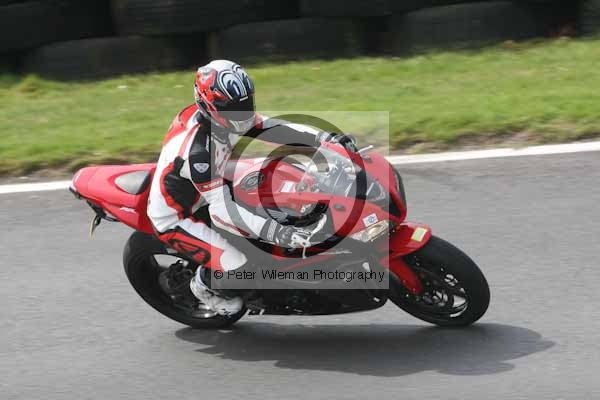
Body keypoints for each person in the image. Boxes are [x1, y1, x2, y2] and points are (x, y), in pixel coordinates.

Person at [147, 60, 355, 316]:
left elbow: (272, 128)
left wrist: (325, 140)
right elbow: (221, 211)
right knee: (239, 267)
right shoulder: (199, 154)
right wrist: (278, 233)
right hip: (180, 215)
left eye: (246, 104)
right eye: (233, 108)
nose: (243, 113)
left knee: (285, 182)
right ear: (209, 106)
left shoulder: (222, 118)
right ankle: (203, 286)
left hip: (215, 178)